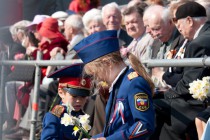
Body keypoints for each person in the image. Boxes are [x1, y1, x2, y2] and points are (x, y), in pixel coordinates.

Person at [73, 30, 155, 139]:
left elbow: (145, 125)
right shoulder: (117, 86)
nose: (97, 78)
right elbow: (114, 128)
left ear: (107, 63)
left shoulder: (134, 83)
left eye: (96, 73)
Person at [151, 1, 210, 140]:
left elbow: (190, 82)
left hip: (196, 104)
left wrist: (168, 93)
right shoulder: (203, 38)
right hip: (194, 99)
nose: (179, 29)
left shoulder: (198, 43)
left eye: (179, 24)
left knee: (151, 106)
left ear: (189, 21)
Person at [41, 63, 91, 140]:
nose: (79, 101)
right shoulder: (55, 116)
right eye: (74, 96)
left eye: (83, 97)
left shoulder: (82, 115)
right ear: (61, 93)